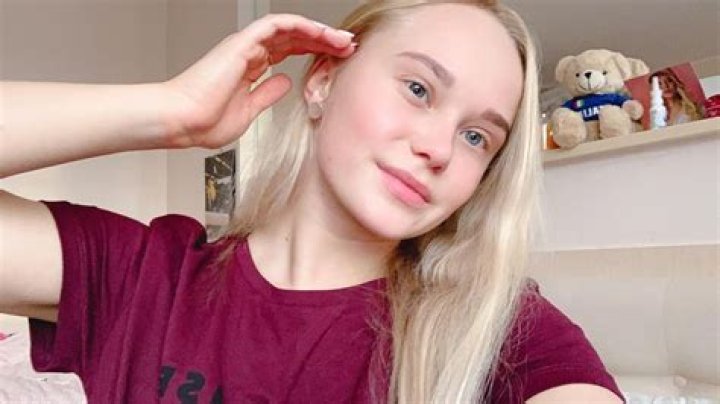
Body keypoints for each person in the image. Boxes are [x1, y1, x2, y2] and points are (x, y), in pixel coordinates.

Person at [0, 1, 625, 403]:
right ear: (323, 80)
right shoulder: (146, 275)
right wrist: (172, 112)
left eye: (476, 137)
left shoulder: (495, 327)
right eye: (418, 89)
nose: (438, 148)